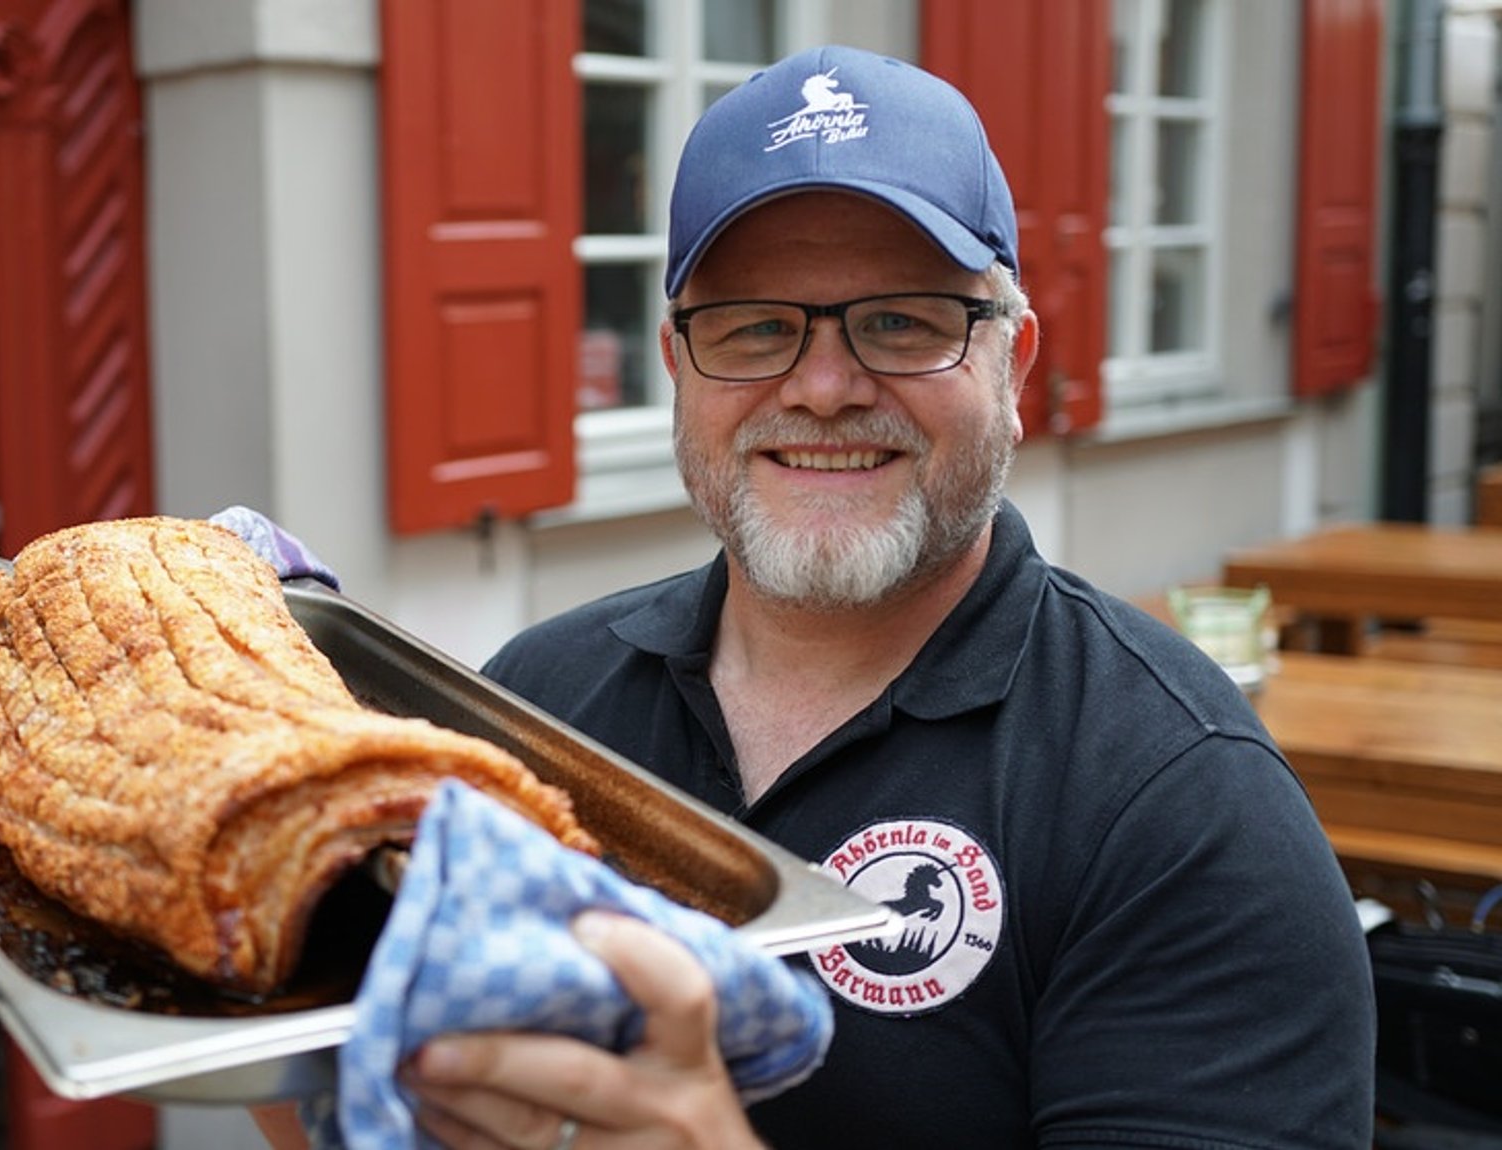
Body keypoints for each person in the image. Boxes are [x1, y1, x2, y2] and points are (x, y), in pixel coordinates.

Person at [384, 43, 1376, 1149]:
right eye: (754, 325)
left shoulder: (1175, 797)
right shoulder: (534, 702)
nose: (821, 387)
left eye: (903, 322)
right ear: (676, 364)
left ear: (1013, 366)